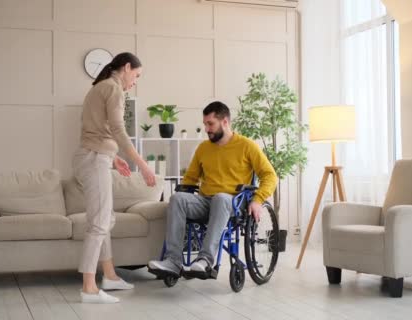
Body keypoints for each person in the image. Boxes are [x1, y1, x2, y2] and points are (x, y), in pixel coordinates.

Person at [148, 101, 277, 278]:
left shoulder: (247, 146)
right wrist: (182, 195)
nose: (207, 129)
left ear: (225, 122)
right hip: (206, 201)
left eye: (211, 124)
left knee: (221, 198)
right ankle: (173, 261)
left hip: (232, 203)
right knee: (177, 198)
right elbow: (191, 179)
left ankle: (205, 260)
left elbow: (270, 175)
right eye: (205, 124)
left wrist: (257, 200)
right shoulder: (203, 148)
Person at [74, 52, 156, 304]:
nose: (135, 81)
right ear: (127, 67)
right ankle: (89, 288)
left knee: (105, 218)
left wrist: (113, 157)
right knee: (99, 223)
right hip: (94, 159)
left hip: (94, 156)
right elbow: (118, 129)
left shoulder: (99, 87)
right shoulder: (113, 89)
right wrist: (142, 165)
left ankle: (109, 275)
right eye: (137, 75)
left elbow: (98, 129)